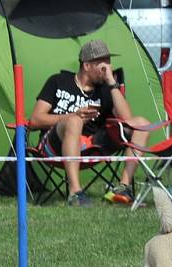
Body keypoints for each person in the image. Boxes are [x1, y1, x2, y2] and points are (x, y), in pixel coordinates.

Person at [29, 40, 151, 207]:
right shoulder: (58, 81)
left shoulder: (105, 89)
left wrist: (112, 83)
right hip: (55, 144)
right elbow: (35, 120)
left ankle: (123, 187)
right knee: (74, 121)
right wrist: (73, 115)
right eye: (103, 65)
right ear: (87, 66)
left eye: (109, 63)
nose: (107, 68)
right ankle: (75, 192)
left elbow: (128, 121)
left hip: (92, 146)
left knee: (141, 123)